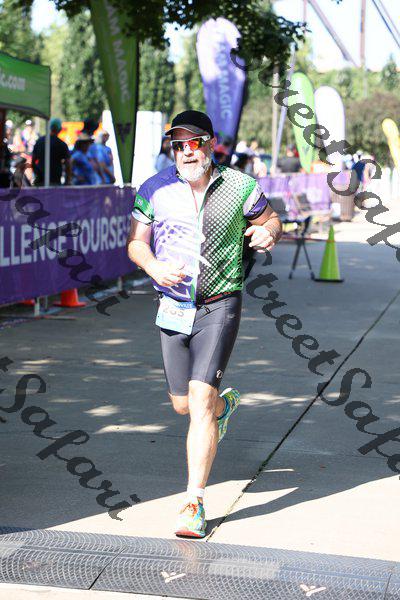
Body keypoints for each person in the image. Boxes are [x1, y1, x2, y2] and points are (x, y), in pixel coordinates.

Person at [127, 110, 282, 538]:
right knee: (183, 405)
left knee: (198, 401)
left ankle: (193, 502)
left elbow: (270, 219)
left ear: (210, 144)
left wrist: (269, 232)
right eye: (177, 145)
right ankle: (222, 408)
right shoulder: (154, 189)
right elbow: (136, 244)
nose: (186, 152)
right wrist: (154, 267)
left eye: (193, 143)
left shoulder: (239, 186)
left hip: (220, 302)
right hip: (173, 305)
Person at [32, 118, 71, 186]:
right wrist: (67, 182)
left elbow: (33, 161)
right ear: (59, 129)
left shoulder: (39, 142)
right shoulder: (61, 144)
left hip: (40, 182)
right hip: (55, 182)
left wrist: (38, 173)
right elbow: (68, 165)